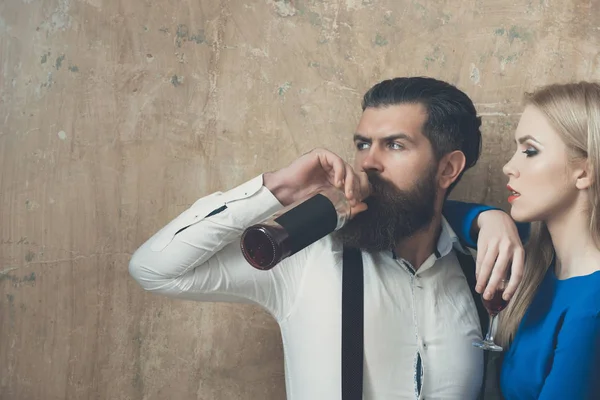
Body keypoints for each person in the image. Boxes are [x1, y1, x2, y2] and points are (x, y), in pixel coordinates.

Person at [128, 77, 524, 399]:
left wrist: (486, 217)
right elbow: (156, 269)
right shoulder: (307, 260)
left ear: (447, 168)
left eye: (395, 145)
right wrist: (278, 189)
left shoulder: (481, 277)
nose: (368, 161)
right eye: (363, 144)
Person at [484, 82, 600, 399]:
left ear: (584, 172)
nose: (509, 166)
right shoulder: (537, 259)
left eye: (530, 151)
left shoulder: (591, 308)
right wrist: (489, 218)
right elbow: (432, 212)